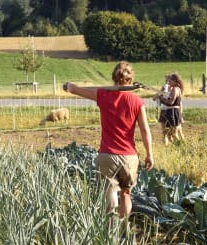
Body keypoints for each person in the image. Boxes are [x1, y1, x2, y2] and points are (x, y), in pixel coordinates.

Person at [63, 61, 153, 219]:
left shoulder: (103, 95)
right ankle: (124, 229)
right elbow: (145, 130)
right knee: (126, 194)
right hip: (129, 157)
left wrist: (69, 86)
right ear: (131, 79)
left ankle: (112, 233)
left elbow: (75, 90)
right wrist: (149, 154)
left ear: (114, 78)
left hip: (107, 155)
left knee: (109, 193)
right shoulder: (137, 102)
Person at [154, 73, 184, 145]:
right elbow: (154, 98)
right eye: (168, 80)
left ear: (175, 81)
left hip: (173, 112)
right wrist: (160, 95)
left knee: (174, 133)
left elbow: (171, 102)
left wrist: (161, 98)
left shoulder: (175, 89)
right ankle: (176, 146)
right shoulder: (168, 88)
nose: (168, 81)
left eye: (170, 80)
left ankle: (182, 146)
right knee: (168, 133)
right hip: (167, 111)